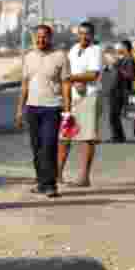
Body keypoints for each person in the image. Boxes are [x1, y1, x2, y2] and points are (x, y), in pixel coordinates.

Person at [14, 24, 72, 199]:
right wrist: (19, 110)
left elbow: (65, 84)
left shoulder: (60, 56)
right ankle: (41, 182)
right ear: (34, 38)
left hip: (52, 108)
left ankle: (50, 184)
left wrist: (68, 111)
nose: (41, 40)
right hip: (32, 108)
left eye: (44, 37)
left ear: (50, 37)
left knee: (49, 146)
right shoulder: (29, 57)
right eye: (38, 37)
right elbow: (24, 85)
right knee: (36, 147)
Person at [58, 21, 103, 187]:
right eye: (81, 33)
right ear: (78, 34)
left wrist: (73, 78)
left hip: (89, 97)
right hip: (72, 97)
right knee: (64, 136)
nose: (84, 36)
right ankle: (57, 174)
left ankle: (84, 177)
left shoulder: (96, 50)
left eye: (87, 33)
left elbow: (93, 75)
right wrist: (72, 81)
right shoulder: (74, 49)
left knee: (87, 138)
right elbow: (67, 71)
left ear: (92, 35)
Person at [106, 40, 135, 143]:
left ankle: (117, 137)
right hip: (115, 89)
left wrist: (118, 68)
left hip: (121, 90)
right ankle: (119, 136)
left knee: (114, 115)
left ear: (125, 48)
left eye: (121, 47)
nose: (119, 49)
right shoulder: (122, 59)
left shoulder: (130, 60)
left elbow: (131, 76)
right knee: (113, 115)